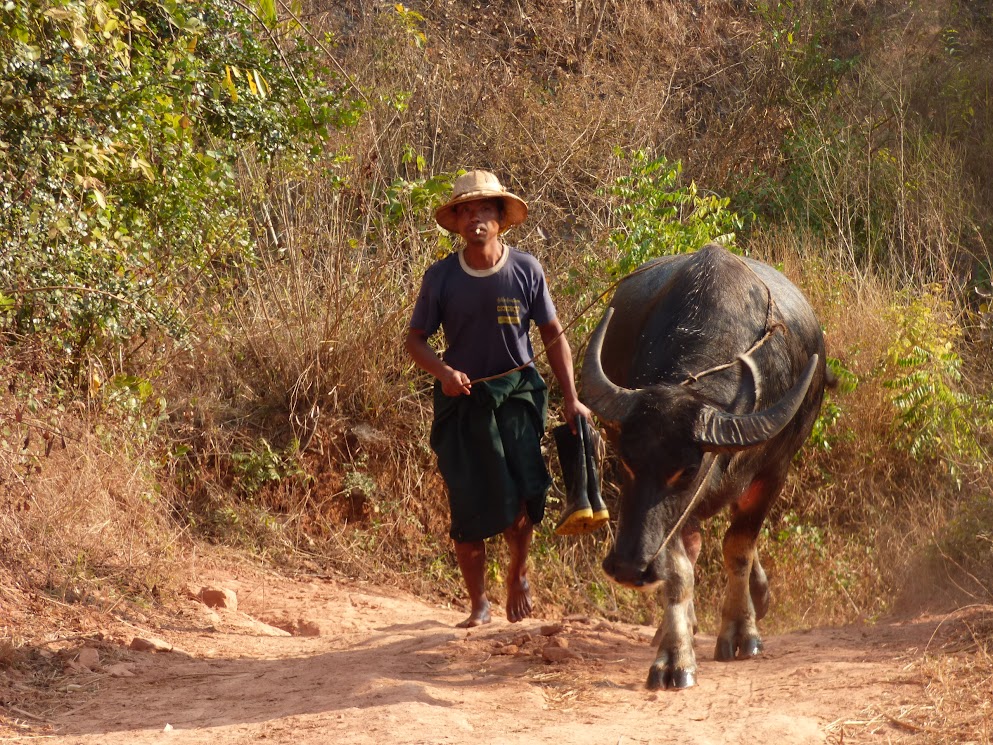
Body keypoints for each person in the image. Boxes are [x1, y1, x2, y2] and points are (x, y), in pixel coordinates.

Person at [405, 169, 595, 628]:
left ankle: (518, 575)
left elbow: (552, 335)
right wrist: (445, 372)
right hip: (463, 402)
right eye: (466, 210)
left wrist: (572, 400)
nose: (475, 218)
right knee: (468, 503)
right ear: (456, 220)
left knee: (523, 496)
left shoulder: (526, 269)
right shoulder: (441, 278)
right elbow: (415, 341)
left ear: (500, 218)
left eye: (484, 209)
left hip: (519, 395)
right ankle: (478, 606)